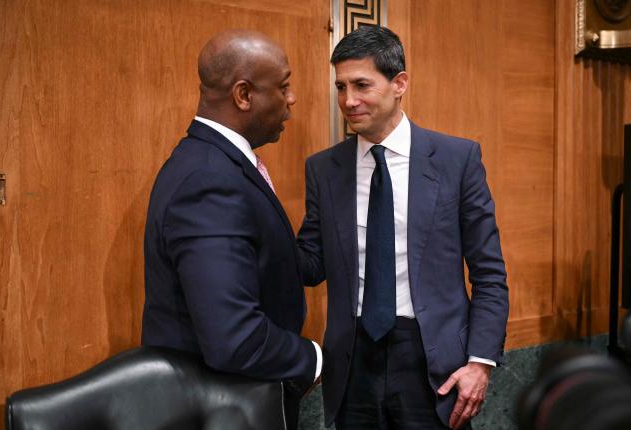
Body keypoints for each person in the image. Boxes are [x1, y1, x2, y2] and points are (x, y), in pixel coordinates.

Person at [297, 26, 509, 429]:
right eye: (340, 87)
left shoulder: (456, 160)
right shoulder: (323, 169)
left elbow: (489, 273)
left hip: (434, 363)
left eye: (361, 85)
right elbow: (311, 264)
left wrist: (480, 363)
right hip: (353, 360)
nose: (348, 100)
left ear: (399, 84)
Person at [141, 30, 321, 428]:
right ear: (244, 95)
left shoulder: (219, 164)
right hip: (220, 409)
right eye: (284, 86)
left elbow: (286, 263)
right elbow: (235, 340)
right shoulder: (210, 180)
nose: (291, 100)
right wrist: (313, 358)